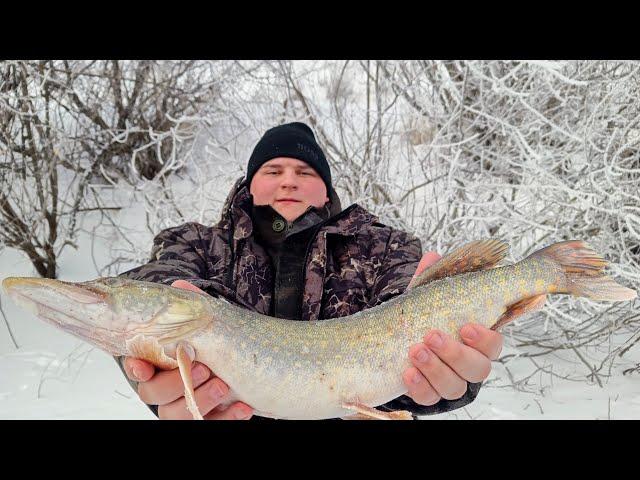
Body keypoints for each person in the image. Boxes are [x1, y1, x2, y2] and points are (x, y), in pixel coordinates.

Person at [115, 122, 504, 420]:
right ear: (249, 186)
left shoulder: (386, 249)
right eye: (273, 170)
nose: (289, 180)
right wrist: (151, 353)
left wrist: (447, 375)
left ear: (327, 192)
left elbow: (407, 321)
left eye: (305, 172)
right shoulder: (197, 244)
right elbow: (152, 281)